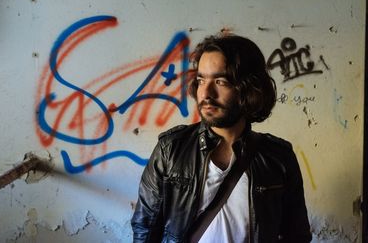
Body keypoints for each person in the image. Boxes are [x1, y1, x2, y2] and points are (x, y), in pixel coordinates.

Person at [131, 34, 312, 242]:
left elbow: (296, 235)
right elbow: (145, 228)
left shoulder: (278, 157)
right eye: (201, 80)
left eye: (220, 81)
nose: (206, 93)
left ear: (248, 87)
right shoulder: (171, 149)